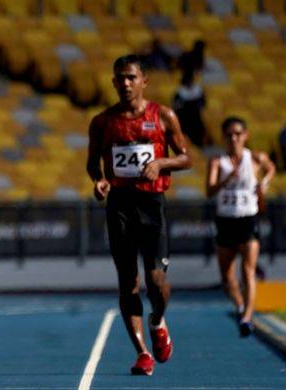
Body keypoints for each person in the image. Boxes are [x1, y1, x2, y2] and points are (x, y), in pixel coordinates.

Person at [86, 54, 191, 376]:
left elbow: (186, 158)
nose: (126, 83)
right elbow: (93, 163)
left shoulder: (163, 116)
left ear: (144, 80)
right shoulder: (102, 121)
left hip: (151, 205)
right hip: (119, 205)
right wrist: (99, 180)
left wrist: (161, 163)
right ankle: (143, 353)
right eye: (121, 78)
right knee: (128, 283)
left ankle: (158, 320)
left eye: (132, 77)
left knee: (156, 282)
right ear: (114, 82)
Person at [206, 117, 275, 337]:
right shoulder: (217, 161)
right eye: (229, 134)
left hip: (248, 219)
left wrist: (264, 182)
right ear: (224, 137)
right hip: (226, 221)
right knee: (227, 278)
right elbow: (209, 190)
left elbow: (270, 167)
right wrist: (226, 181)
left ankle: (247, 317)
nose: (233, 138)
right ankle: (239, 305)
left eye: (237, 134)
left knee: (248, 270)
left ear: (245, 135)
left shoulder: (254, 158)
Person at [172, 69, 206, 148]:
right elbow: (176, 105)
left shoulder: (197, 90)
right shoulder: (180, 91)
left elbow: (203, 103)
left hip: (196, 117)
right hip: (184, 117)